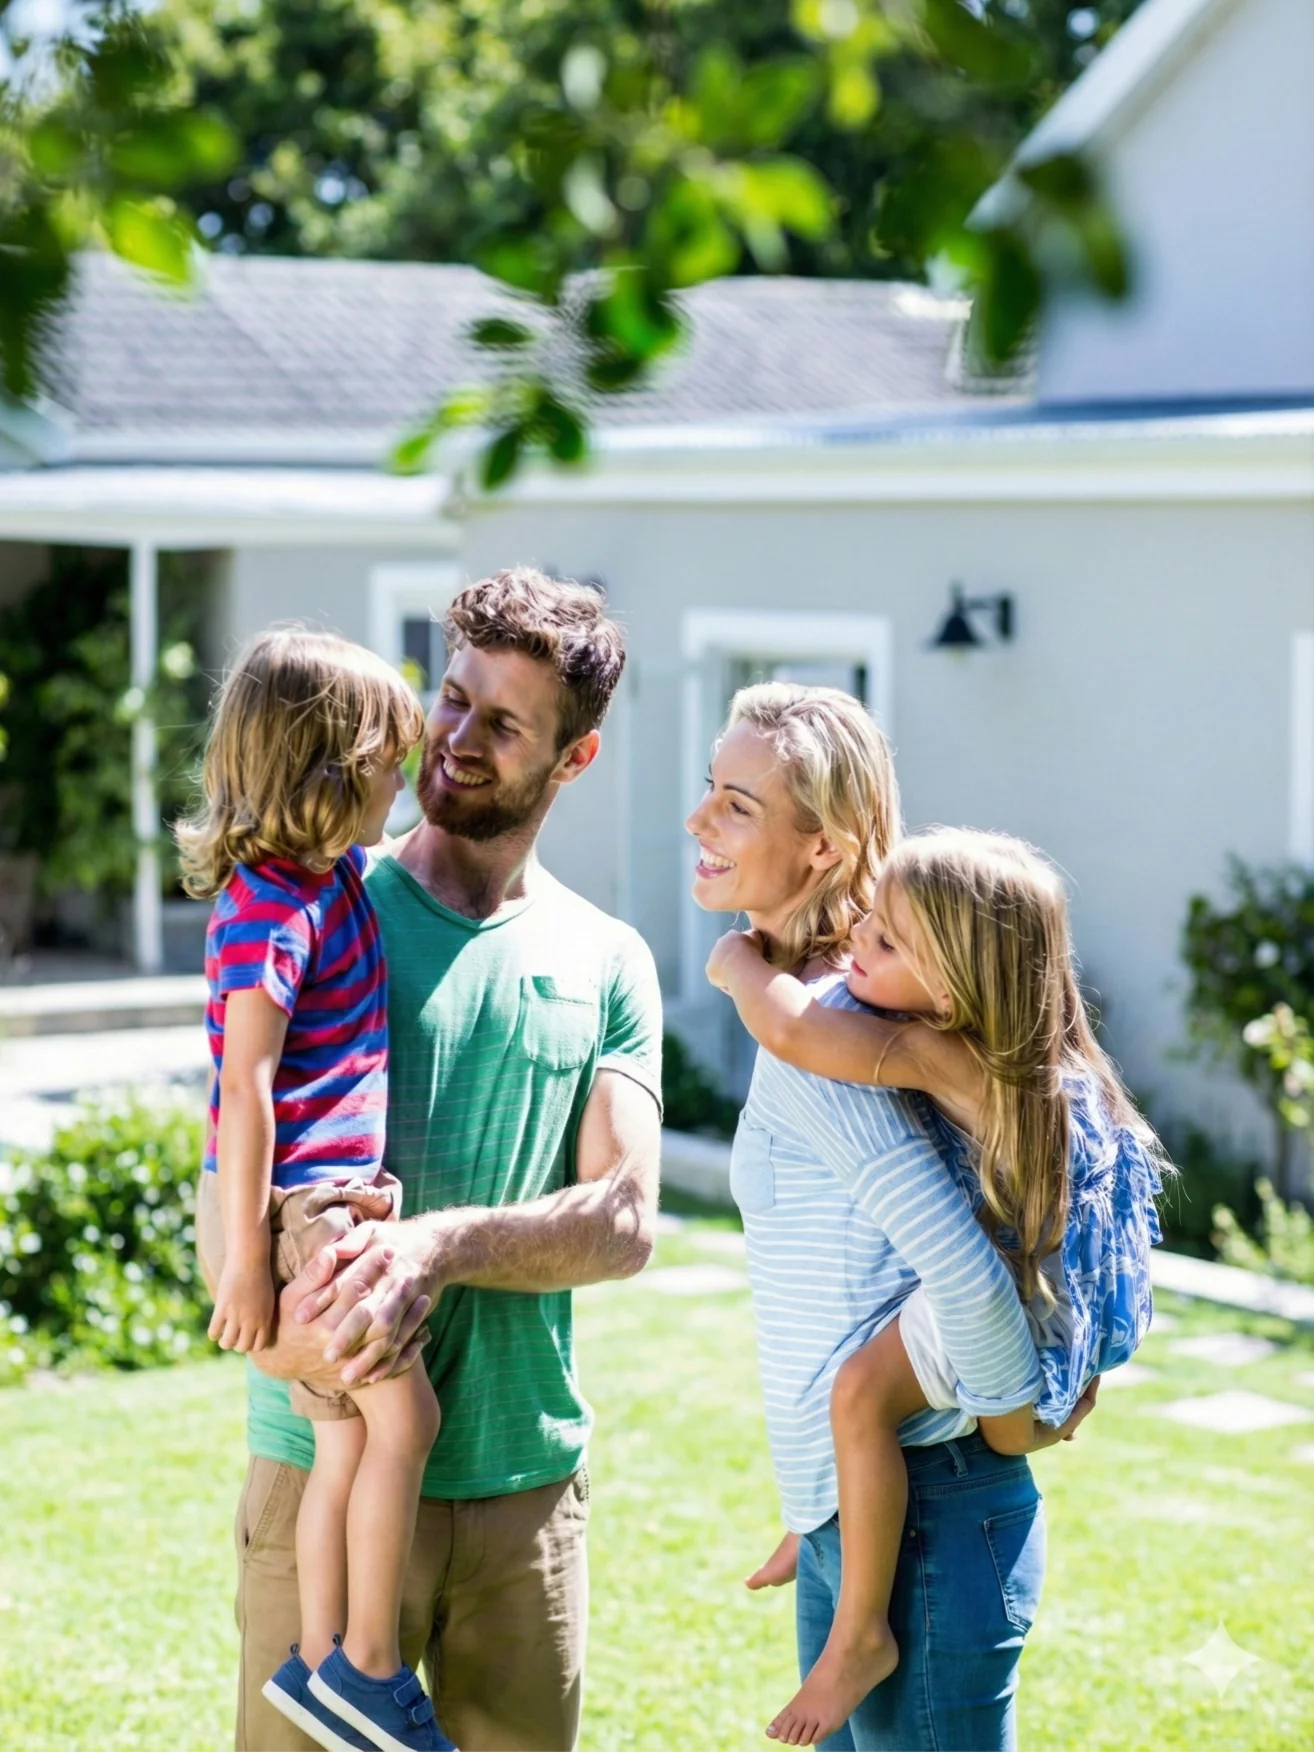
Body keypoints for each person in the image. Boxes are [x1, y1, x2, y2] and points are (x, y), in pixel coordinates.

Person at [226, 569, 663, 1752]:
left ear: (572, 760)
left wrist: (441, 1243)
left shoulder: (607, 957)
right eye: (453, 698)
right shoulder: (319, 900)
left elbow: (624, 1221)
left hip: (524, 1497)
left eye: (504, 723)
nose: (456, 738)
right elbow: (230, 1164)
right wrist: (277, 1332)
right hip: (320, 1466)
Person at [686, 683, 1099, 1752]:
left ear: (820, 849)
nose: (698, 821)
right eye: (707, 790)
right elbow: (848, 1276)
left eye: (735, 804)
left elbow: (965, 1277)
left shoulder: (835, 1035)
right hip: (881, 1519)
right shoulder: (841, 1006)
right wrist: (816, 1505)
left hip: (932, 1516)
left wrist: (1018, 1417)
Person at [181, 629, 453, 1752]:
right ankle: (372, 1663)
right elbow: (241, 1089)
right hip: (306, 1212)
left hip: (336, 1199)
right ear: (330, 773)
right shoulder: (267, 913)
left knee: (346, 1443)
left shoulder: (335, 876)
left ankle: (323, 1663)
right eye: (390, 758)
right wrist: (248, 1260)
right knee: (408, 1420)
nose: (408, 777)